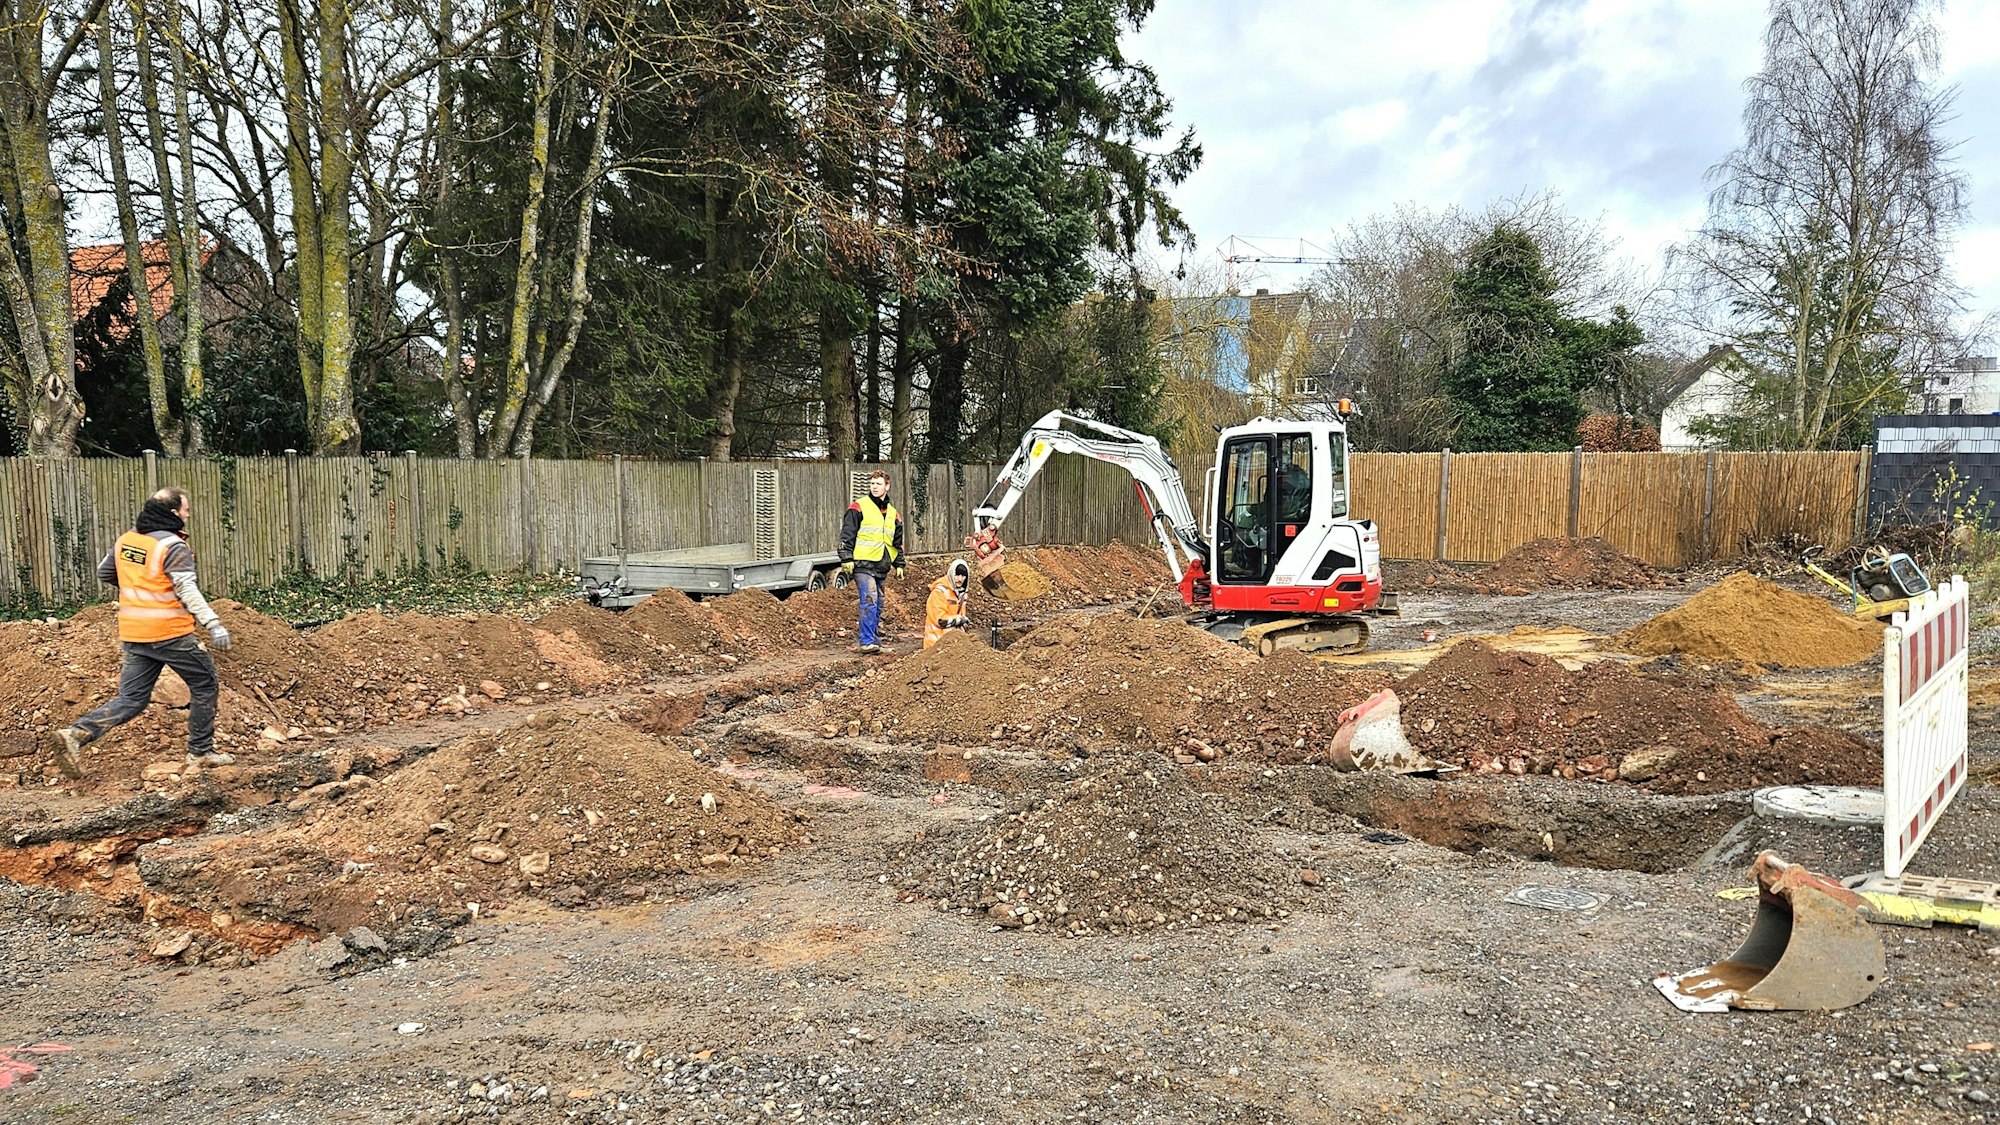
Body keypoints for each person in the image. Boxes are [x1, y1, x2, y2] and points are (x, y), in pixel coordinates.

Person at [48, 487, 235, 778]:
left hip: (134, 632)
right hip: (169, 632)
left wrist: (138, 591)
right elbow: (186, 588)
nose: (188, 515)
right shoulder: (172, 546)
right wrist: (213, 623)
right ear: (173, 513)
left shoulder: (128, 540)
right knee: (205, 685)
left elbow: (105, 572)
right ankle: (200, 753)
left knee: (132, 699)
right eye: (186, 510)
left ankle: (76, 734)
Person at [837, 470, 905, 654]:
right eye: (873, 483)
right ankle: (866, 641)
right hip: (863, 563)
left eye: (879, 484)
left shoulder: (893, 514)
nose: (875, 487)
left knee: (879, 603)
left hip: (881, 565)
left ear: (887, 486)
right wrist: (846, 557)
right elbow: (848, 533)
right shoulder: (858, 507)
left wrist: (899, 564)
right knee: (869, 599)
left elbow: (896, 541)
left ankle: (874, 641)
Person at [924, 559, 972, 649]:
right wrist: (961, 620)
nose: (960, 579)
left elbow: (961, 618)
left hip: (951, 646)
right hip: (935, 645)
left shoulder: (962, 594)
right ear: (951, 574)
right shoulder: (939, 592)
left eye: (963, 576)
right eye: (957, 575)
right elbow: (941, 621)